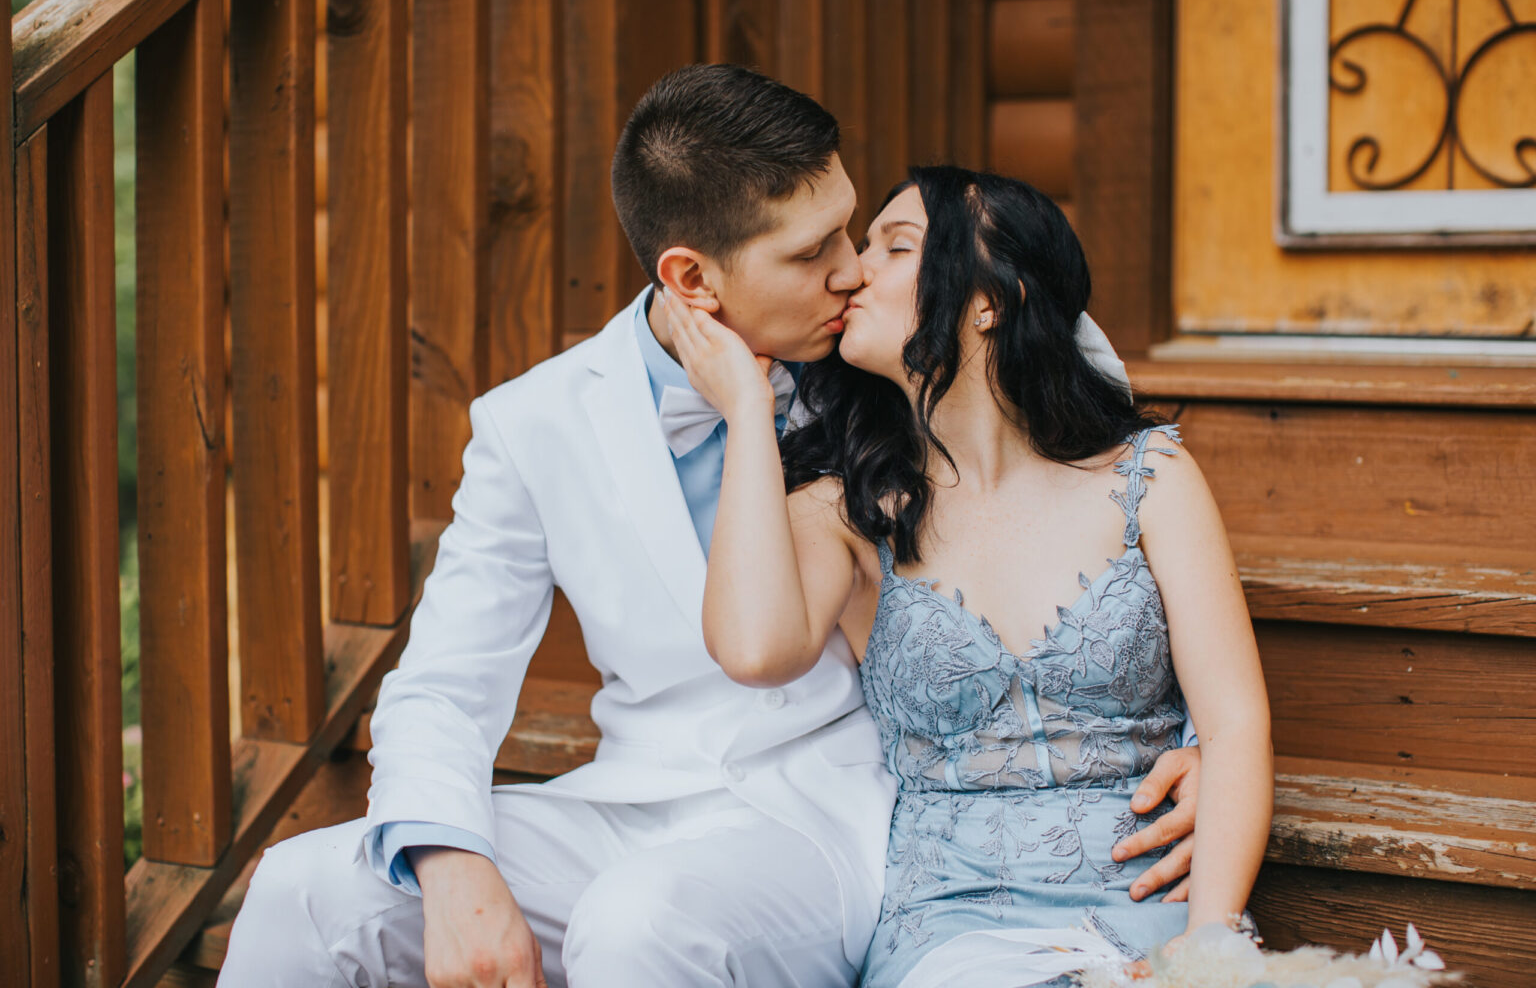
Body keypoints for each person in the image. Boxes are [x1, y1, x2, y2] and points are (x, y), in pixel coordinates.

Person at [218, 66, 1205, 988]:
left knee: (641, 920)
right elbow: (442, 683)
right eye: (813, 252)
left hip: (833, 820)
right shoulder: (536, 423)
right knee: (305, 889)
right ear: (692, 279)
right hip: (634, 800)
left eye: (853, 229)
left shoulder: (895, 346)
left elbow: (1082, 457)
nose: (855, 270)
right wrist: (450, 862)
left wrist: (1193, 736)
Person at [663, 165, 1272, 987]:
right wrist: (745, 406)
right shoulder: (846, 512)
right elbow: (753, 650)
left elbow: (1233, 724)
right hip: (953, 924)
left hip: (1156, 906)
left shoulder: (1148, 478)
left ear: (989, 300)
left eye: (894, 245)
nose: (854, 271)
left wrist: (1209, 948)